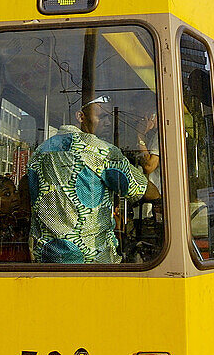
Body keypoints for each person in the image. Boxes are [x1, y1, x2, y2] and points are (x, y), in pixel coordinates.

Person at [27, 95, 159, 264]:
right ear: (80, 117)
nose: (109, 123)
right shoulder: (101, 151)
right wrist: (159, 199)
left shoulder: (39, 151)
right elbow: (142, 189)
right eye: (102, 117)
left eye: (109, 117)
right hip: (92, 262)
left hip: (44, 261)